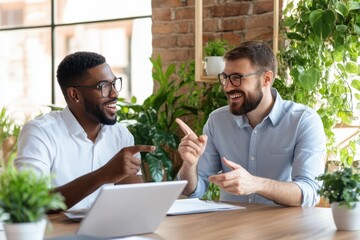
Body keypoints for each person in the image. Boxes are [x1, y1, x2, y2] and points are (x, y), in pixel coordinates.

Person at [176, 40, 326, 207]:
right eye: (225, 78)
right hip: (231, 227)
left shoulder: (303, 121)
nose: (227, 87)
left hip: (284, 229)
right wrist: (190, 165)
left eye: (236, 78)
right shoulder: (217, 121)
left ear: (266, 79)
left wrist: (256, 184)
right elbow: (194, 190)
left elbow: (310, 193)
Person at [15, 51, 155, 210]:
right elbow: (30, 201)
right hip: (58, 234)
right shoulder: (40, 133)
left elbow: (135, 200)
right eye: (103, 86)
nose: (115, 93)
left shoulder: (120, 135)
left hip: (108, 231)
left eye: (114, 83)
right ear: (75, 94)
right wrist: (103, 175)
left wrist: (186, 172)